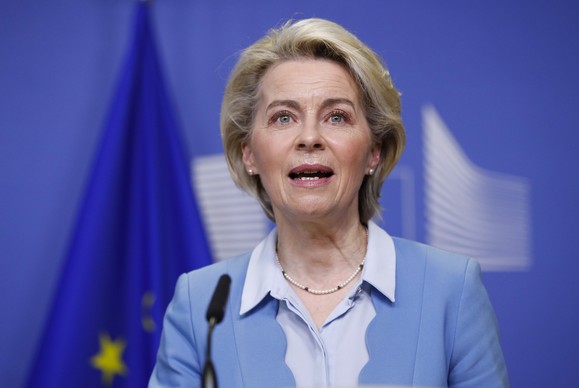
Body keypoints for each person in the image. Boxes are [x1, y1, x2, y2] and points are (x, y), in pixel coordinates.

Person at [149, 18, 509, 388]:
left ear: (373, 152)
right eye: (283, 117)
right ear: (249, 154)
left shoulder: (451, 290)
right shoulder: (202, 304)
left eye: (336, 117)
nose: (309, 137)